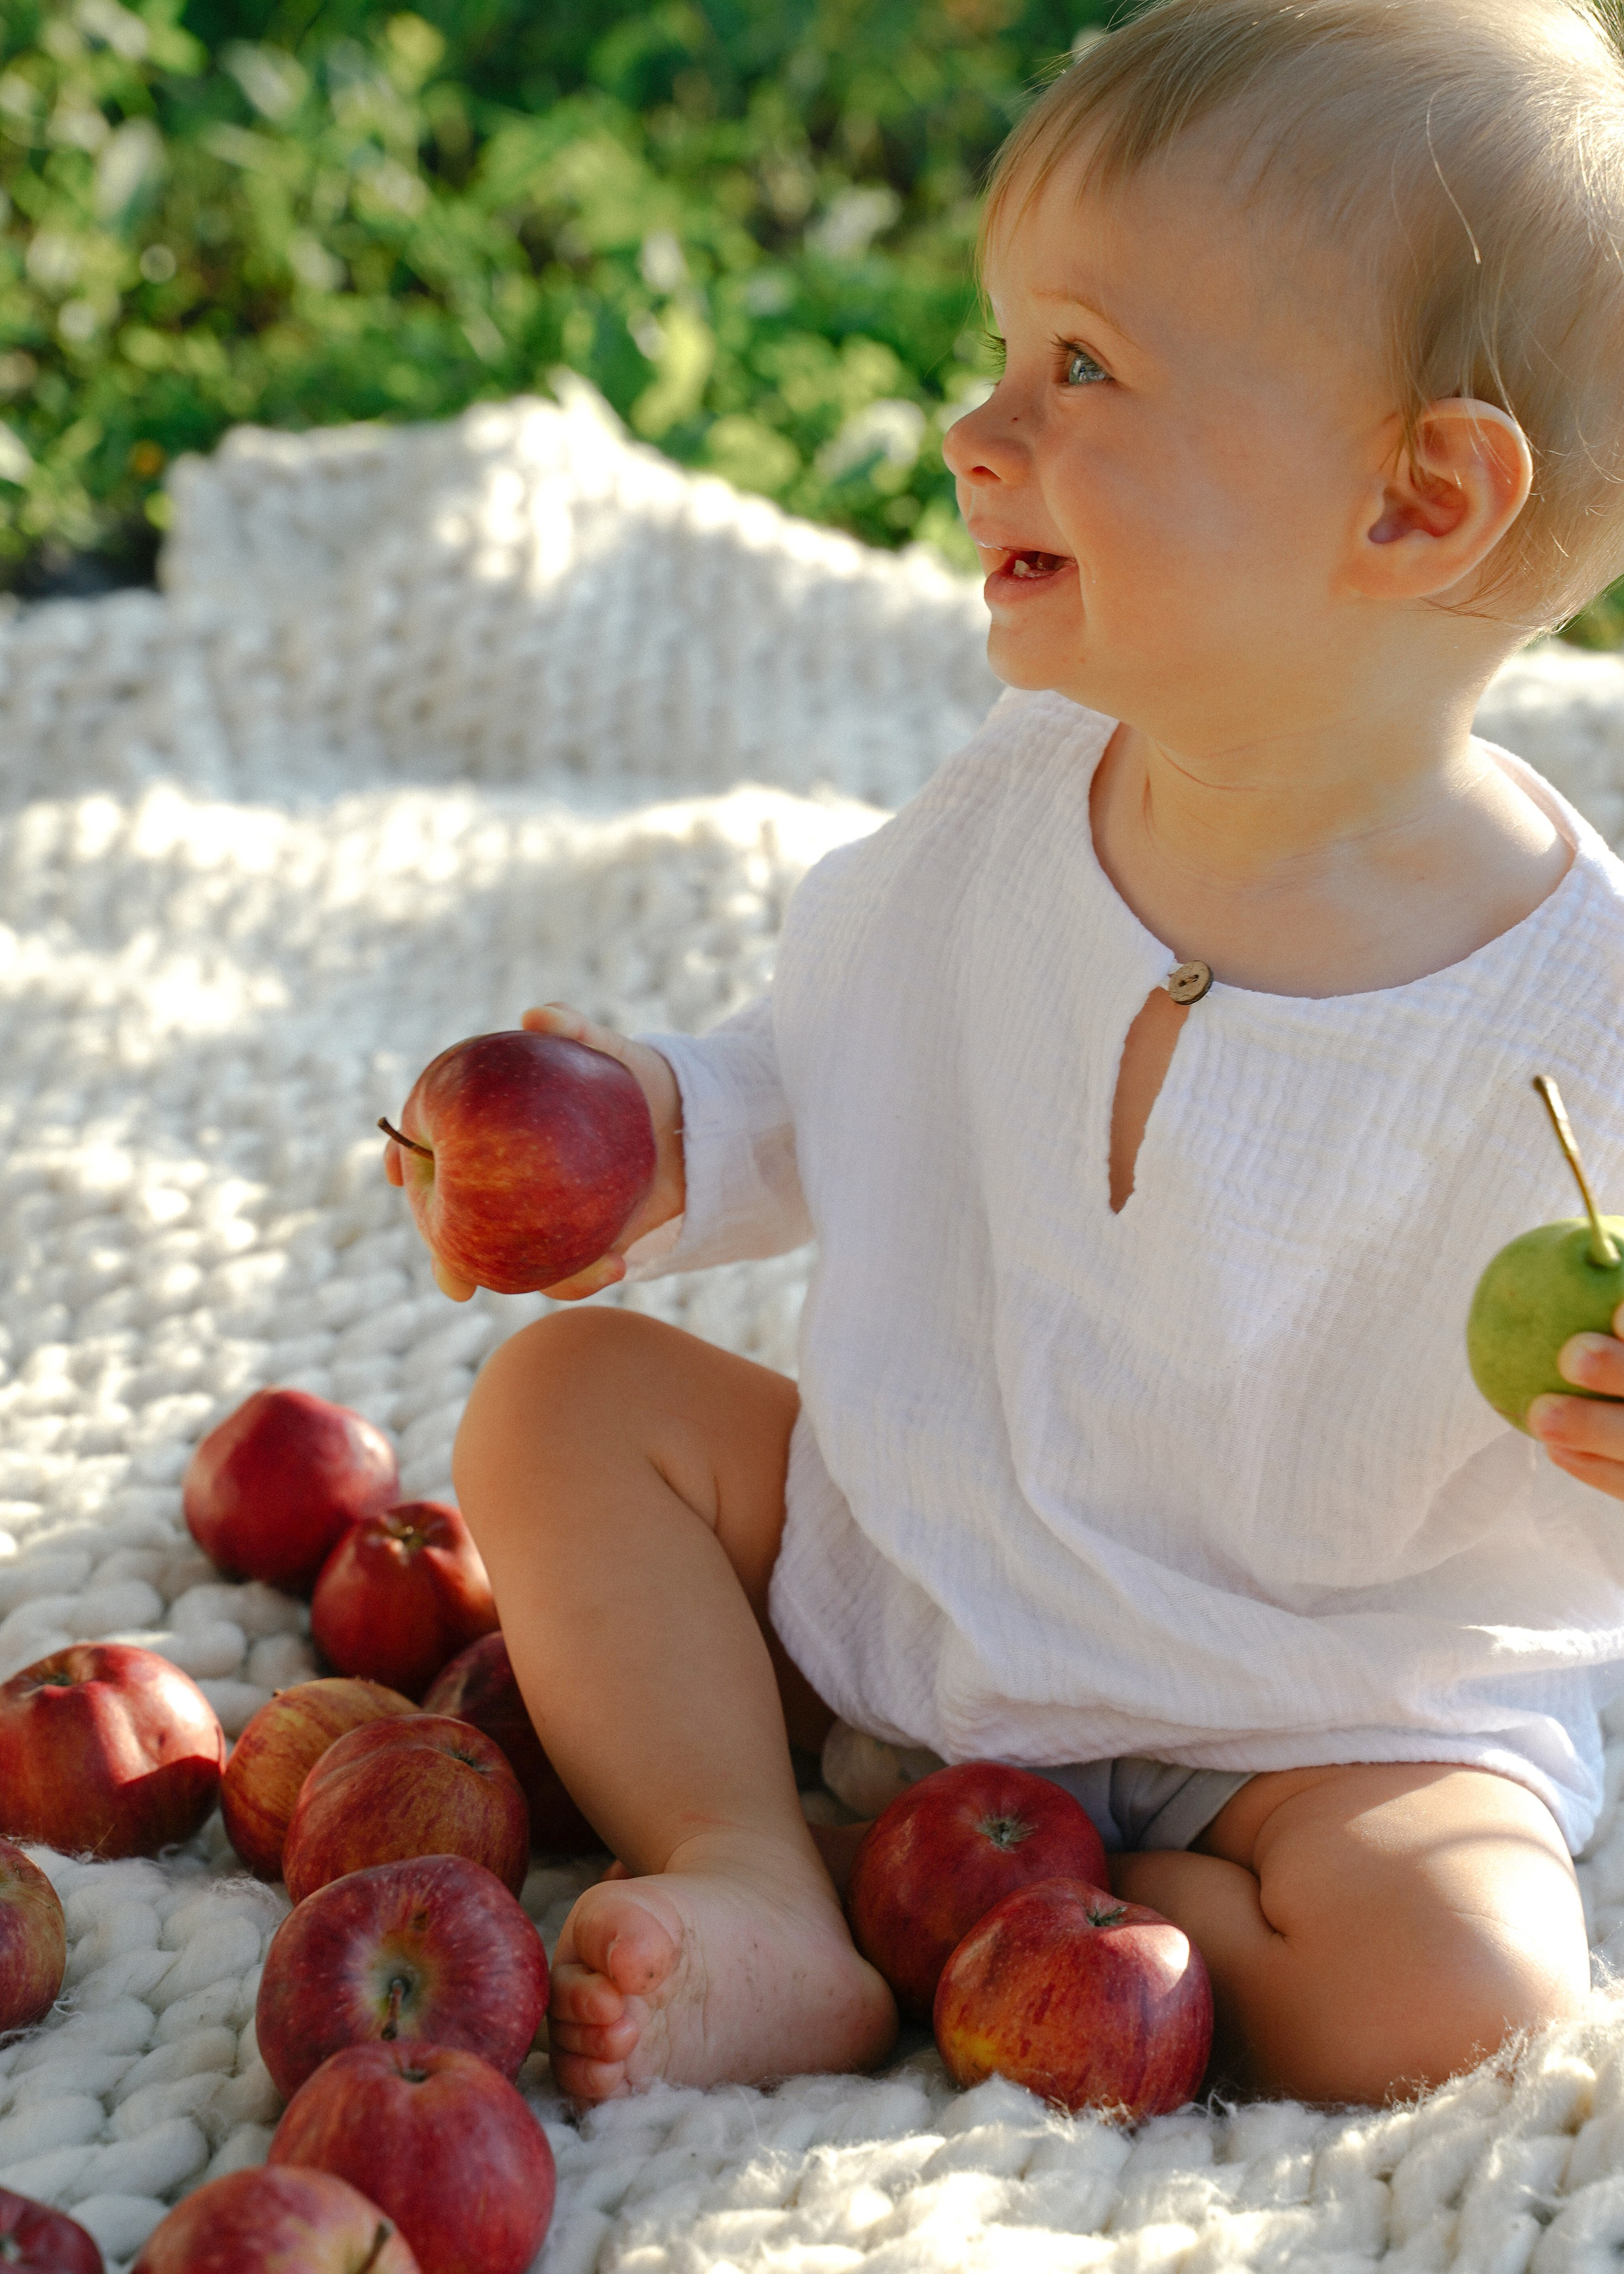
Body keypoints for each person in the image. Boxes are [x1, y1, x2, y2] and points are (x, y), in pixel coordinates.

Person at [411, 0, 1624, 2108]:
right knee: (562, 1408)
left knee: (1466, 1985)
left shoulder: (1580, 1013)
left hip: (1315, 1714)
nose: (979, 428)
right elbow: (846, 1059)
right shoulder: (1018, 794)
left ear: (1418, 500)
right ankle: (764, 1876)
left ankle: (1082, 1925)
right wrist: (665, 1137)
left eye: (1082, 368)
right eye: (1003, 351)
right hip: (921, 1550)